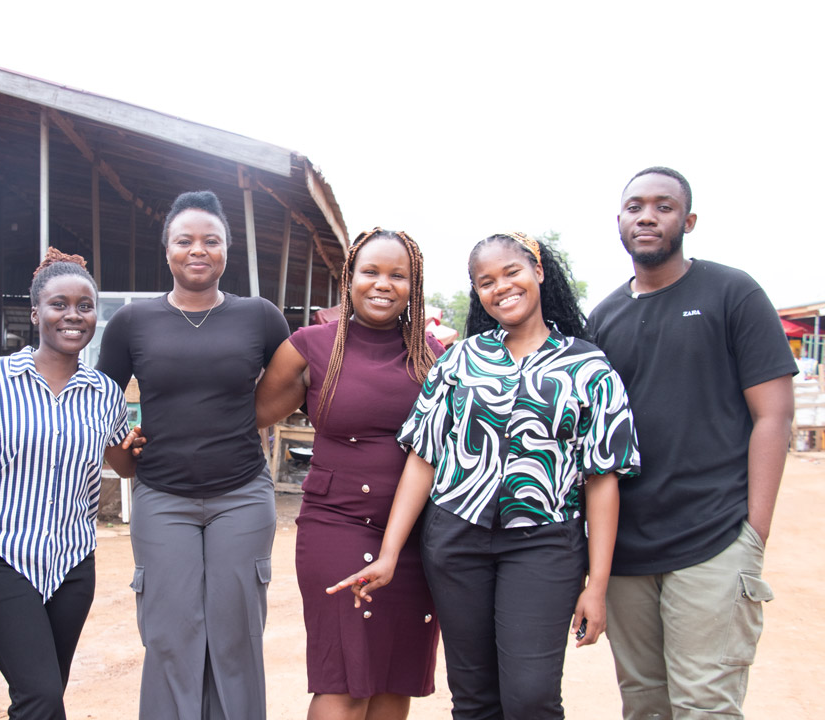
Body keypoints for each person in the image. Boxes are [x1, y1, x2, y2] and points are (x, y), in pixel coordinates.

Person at [331, 232, 640, 719]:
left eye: (511, 273)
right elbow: (423, 457)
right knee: (473, 698)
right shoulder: (461, 360)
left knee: (531, 696)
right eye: (486, 282)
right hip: (455, 541)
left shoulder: (589, 367)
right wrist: (390, 552)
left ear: (538, 271)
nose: (501, 288)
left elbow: (603, 479)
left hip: (544, 544)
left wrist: (596, 585)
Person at [589, 167, 796, 720]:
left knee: (704, 705)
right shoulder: (604, 318)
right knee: (645, 705)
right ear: (619, 221)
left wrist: (754, 531)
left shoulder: (732, 292)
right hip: (629, 550)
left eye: (663, 206)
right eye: (635, 207)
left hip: (714, 537)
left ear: (689, 220)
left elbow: (773, 416)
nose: (648, 217)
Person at [96, 190, 291, 720]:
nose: (198, 250)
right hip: (162, 497)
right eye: (185, 240)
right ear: (167, 251)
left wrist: (245, 421)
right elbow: (99, 402)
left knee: (236, 633)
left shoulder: (260, 317)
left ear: (228, 250)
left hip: (242, 496)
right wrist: (122, 455)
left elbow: (296, 379)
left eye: (211, 240)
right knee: (169, 632)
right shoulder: (132, 323)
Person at [255, 228, 442, 719]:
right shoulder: (311, 345)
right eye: (371, 272)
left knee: (391, 677)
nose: (383, 284)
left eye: (397, 275)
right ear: (350, 278)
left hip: (413, 538)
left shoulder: (431, 355)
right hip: (335, 523)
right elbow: (249, 416)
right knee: (345, 678)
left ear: (413, 285)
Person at [0, 248, 145, 719]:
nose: (73, 316)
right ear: (35, 313)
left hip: (73, 563)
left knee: (42, 695)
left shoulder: (105, 393)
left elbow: (121, 469)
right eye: (58, 304)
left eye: (85, 306)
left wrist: (132, 452)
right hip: (1, 555)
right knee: (42, 696)